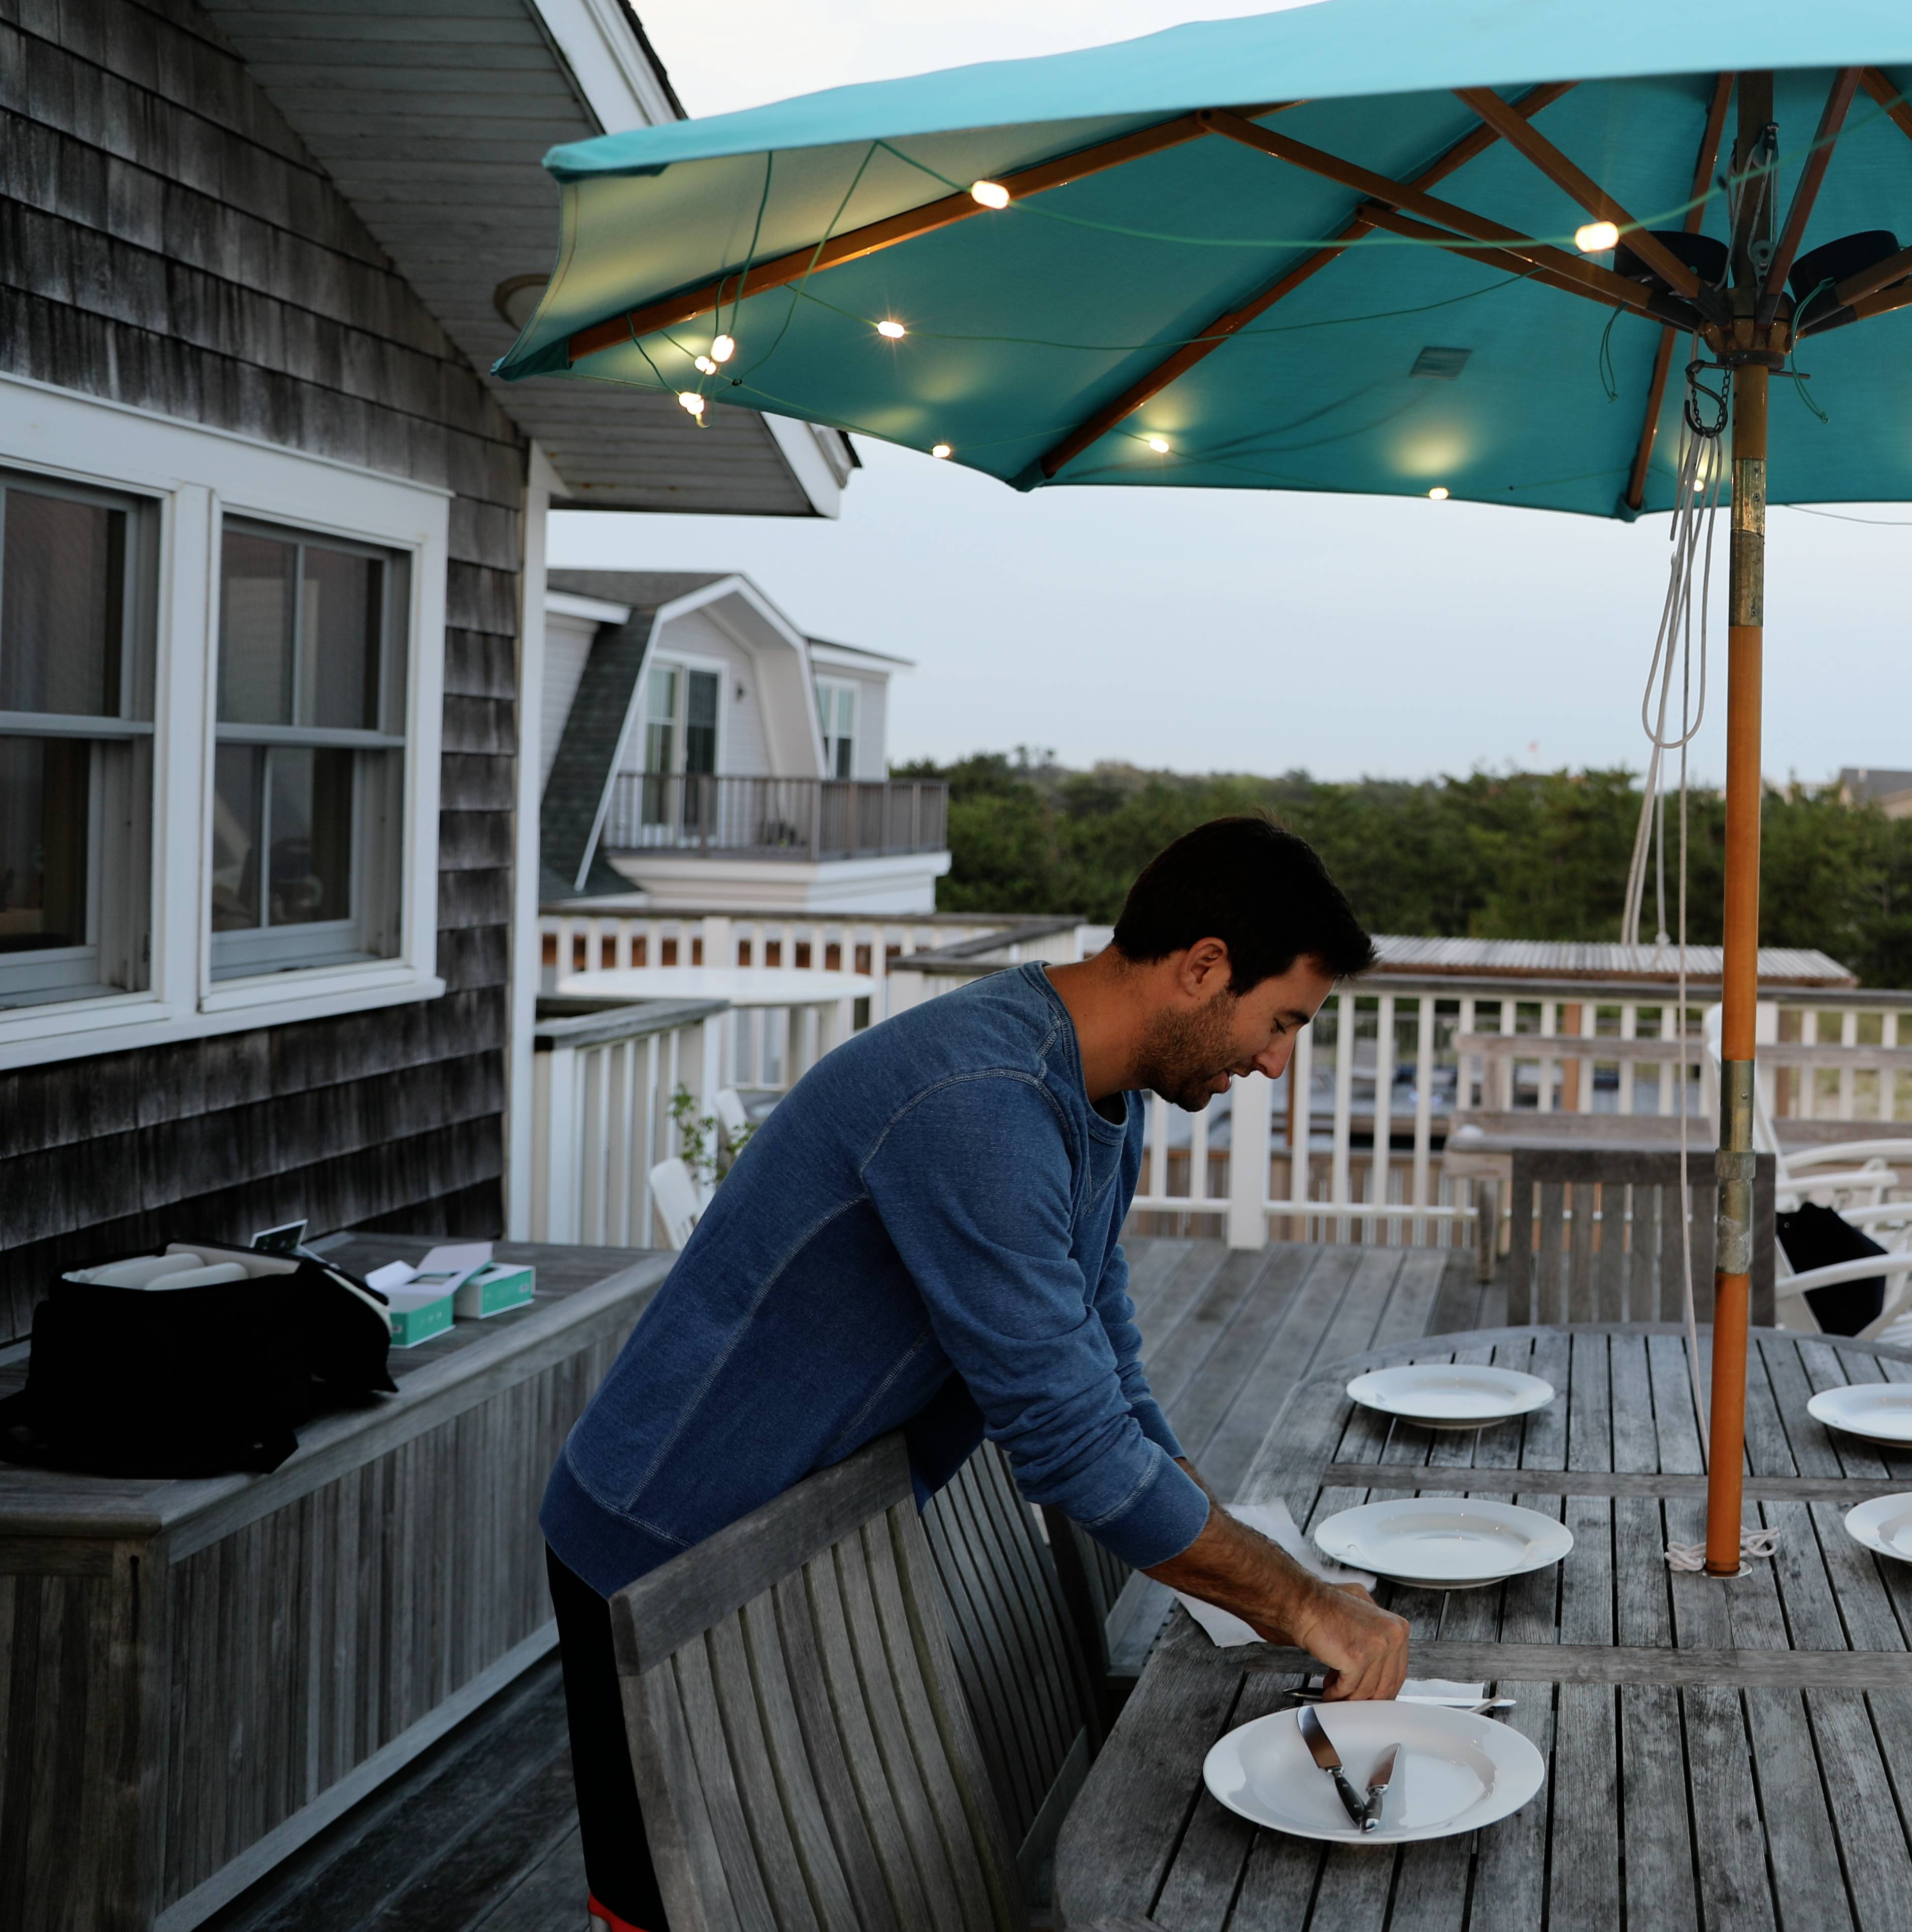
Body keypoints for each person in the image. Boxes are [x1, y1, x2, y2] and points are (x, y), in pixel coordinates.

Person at [539, 817, 1409, 1932]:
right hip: (660, 1543)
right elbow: (1074, 1444)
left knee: (815, 1887)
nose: (1280, 1059)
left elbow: (1111, 1379)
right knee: (673, 1904)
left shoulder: (1105, 1100)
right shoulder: (980, 1101)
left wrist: (1270, 1587)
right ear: (1203, 966)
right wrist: (1300, 1602)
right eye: (1282, 1019)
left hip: (817, 1532)